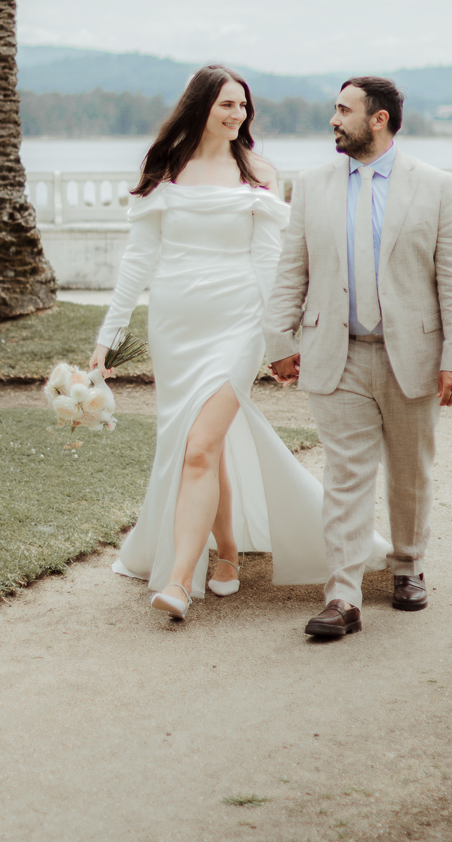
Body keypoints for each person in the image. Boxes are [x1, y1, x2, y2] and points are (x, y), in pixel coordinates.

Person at [89, 66, 385, 620]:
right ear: (200, 106)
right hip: (175, 325)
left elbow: (270, 262)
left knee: (199, 445)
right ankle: (226, 551)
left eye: (243, 107)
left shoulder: (257, 173)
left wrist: (279, 338)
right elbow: (139, 260)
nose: (237, 115)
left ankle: (178, 583)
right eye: (227, 105)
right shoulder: (165, 170)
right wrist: (108, 338)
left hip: (237, 323)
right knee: (205, 442)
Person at [265, 77, 452, 641]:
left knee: (410, 473)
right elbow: (293, 269)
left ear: (377, 119)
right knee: (345, 473)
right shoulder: (311, 186)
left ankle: (407, 566)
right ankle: (343, 595)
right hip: (337, 354)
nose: (333, 120)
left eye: (343, 110)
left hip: (414, 355)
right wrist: (279, 341)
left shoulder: (436, 187)